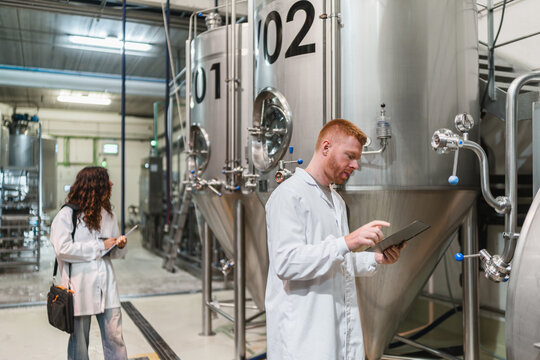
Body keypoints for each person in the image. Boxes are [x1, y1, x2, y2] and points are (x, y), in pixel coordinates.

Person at [265, 119, 406, 360]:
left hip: (337, 331)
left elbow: (337, 262)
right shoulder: (289, 195)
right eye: (350, 156)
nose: (356, 165)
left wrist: (376, 257)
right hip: (302, 339)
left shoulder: (336, 200)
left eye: (357, 158)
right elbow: (286, 263)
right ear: (326, 147)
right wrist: (347, 242)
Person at [50, 166, 128, 360]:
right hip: (79, 288)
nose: (111, 185)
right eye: (106, 182)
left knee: (115, 339)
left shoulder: (109, 215)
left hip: (107, 288)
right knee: (79, 346)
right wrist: (99, 246)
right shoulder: (68, 216)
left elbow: (112, 255)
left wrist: (118, 246)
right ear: (94, 186)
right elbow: (62, 249)